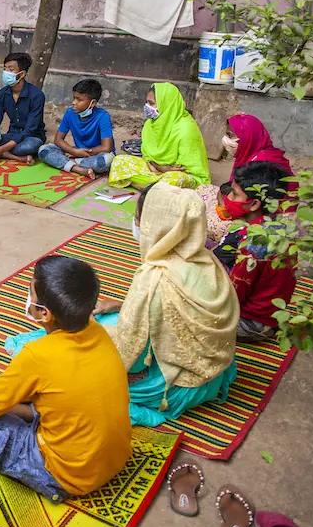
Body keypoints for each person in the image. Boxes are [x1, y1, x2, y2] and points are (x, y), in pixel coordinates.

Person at [0, 255, 132, 500]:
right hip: (114, 458)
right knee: (35, 397)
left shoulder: (37, 355)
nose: (28, 296)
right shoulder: (98, 332)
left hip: (64, 476)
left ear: (44, 313)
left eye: (31, 291)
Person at [93, 182, 239, 427]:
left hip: (176, 390)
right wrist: (122, 305)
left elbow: (131, 358)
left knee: (88, 355)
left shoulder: (153, 278)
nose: (137, 225)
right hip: (215, 373)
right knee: (112, 319)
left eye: (140, 218)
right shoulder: (207, 260)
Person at [212, 162, 297, 343]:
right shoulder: (282, 228)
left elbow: (233, 295)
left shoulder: (252, 245)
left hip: (251, 323)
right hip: (271, 315)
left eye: (235, 194)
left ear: (254, 204)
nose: (229, 199)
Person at [199, 114, 296, 241]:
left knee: (207, 223)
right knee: (203, 190)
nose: (227, 139)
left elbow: (253, 202)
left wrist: (225, 205)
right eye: (227, 134)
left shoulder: (261, 166)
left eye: (231, 135)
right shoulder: (251, 154)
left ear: (248, 137)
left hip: (266, 216)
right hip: (251, 205)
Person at [108, 83, 210, 189]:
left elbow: (186, 168)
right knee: (118, 161)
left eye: (151, 103)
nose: (147, 107)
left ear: (166, 104)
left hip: (175, 174)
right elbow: (146, 155)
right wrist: (156, 166)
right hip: (154, 168)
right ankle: (152, 188)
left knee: (173, 180)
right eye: (147, 102)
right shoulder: (150, 124)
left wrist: (165, 169)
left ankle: (145, 186)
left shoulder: (186, 128)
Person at [38, 79, 115, 179]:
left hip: (94, 154)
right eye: (74, 98)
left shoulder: (103, 116)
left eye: (79, 100)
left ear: (92, 103)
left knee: (107, 160)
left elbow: (106, 147)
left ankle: (70, 164)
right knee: (43, 150)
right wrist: (73, 151)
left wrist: (80, 154)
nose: (74, 102)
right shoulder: (70, 113)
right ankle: (79, 169)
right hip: (76, 152)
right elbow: (58, 139)